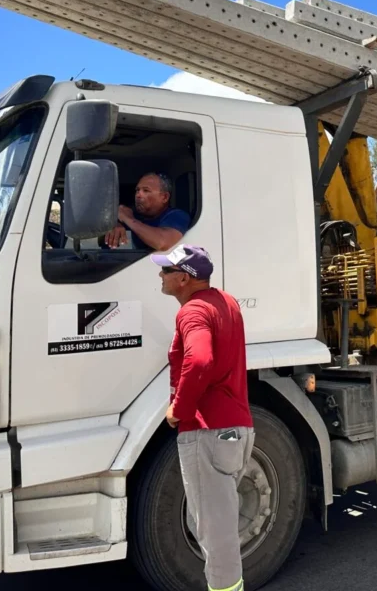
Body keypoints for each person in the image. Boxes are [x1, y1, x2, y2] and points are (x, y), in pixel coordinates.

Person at [154, 244, 254, 591]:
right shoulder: (225, 302)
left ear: (184, 278)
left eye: (166, 271)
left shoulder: (192, 312)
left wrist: (178, 409)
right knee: (219, 524)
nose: (161, 276)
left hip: (208, 430)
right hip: (236, 429)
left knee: (213, 531)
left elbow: (199, 361)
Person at [104, 172, 190, 251]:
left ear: (165, 197)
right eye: (137, 190)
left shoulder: (176, 216)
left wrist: (128, 219)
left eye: (146, 190)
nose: (138, 195)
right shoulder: (131, 214)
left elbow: (163, 242)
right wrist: (114, 223)